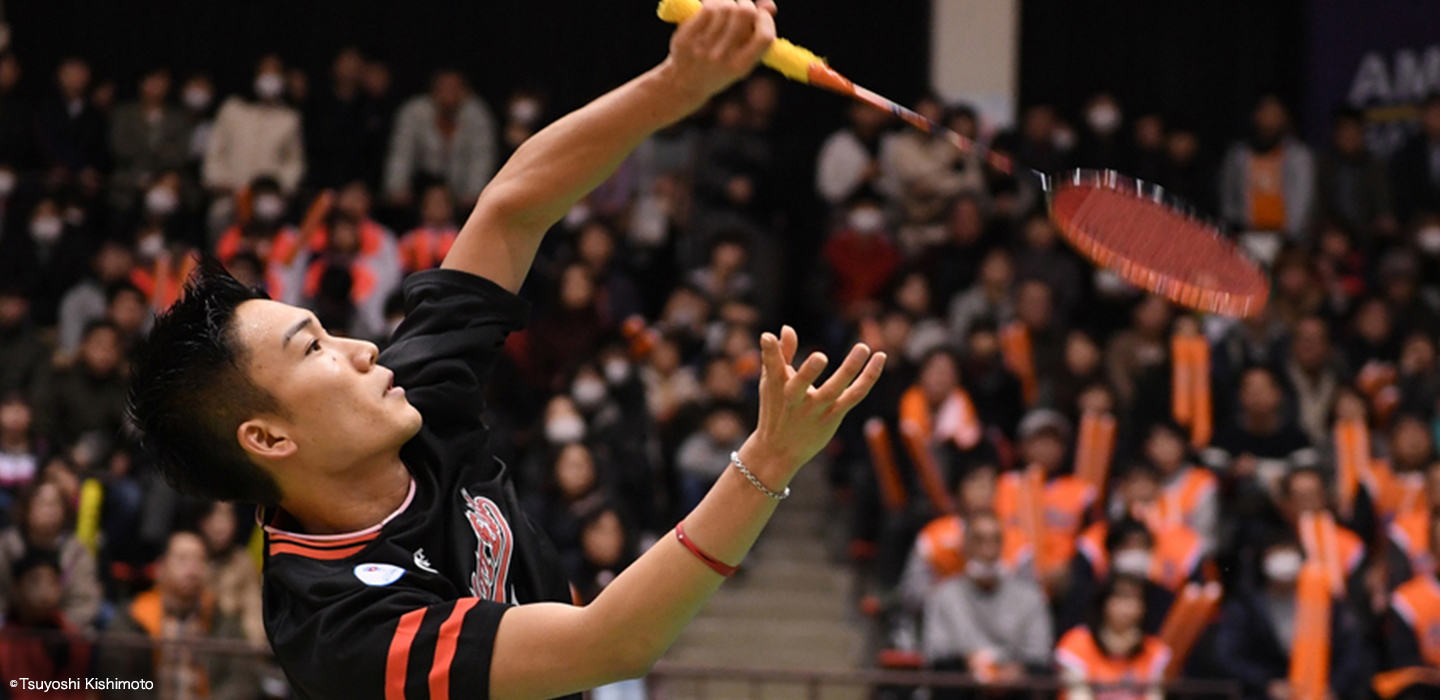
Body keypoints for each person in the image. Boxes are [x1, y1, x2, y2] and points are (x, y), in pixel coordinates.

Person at [128, 5, 887, 700]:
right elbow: (610, 643)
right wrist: (770, 463)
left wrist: (678, 84)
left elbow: (511, 209)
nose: (363, 349)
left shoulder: (410, 399)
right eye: (314, 348)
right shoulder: (341, 628)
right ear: (267, 436)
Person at [99, 531, 259, 700]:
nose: (192, 569)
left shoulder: (222, 620)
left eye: (200, 560)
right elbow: (114, 680)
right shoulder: (133, 616)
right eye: (182, 559)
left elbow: (244, 680)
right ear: (161, 568)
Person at [922, 510, 1052, 684]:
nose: (989, 551)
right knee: (945, 671)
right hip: (964, 685)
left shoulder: (1030, 598)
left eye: (995, 541)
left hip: (1014, 689)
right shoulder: (943, 596)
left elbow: (1039, 654)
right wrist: (969, 663)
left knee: (1039, 675)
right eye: (979, 541)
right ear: (965, 546)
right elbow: (936, 652)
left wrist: (1014, 671)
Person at [384, 69, 497, 206]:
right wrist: (397, 187)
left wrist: (475, 193)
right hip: (421, 191)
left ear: (465, 92)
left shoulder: (477, 115)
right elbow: (402, 154)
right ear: (433, 91)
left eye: (454, 88)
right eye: (443, 88)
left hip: (462, 195)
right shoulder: (414, 112)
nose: (449, 93)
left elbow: (482, 157)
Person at [203, 54, 305, 197]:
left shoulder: (289, 118)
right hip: (229, 192)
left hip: (268, 197)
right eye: (265, 72)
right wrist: (217, 180)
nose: (270, 77)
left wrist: (281, 187)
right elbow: (215, 149)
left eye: (275, 72)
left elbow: (294, 161)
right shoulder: (232, 107)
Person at [1054, 575, 1171, 700]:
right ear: (1104, 602)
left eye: (1133, 599)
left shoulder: (1155, 650)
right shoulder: (1076, 643)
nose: (1125, 608)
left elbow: (1154, 696)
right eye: (1119, 598)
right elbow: (1079, 695)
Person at [1219, 96, 1316, 243]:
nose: (1269, 121)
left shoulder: (1298, 157)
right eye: (1265, 114)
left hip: (1286, 241)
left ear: (1284, 119)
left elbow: (1303, 199)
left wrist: (1290, 238)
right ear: (1255, 116)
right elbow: (1228, 198)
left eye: (1275, 115)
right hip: (1245, 237)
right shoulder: (1238, 155)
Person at [0, 550, 93, 700]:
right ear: (16, 587)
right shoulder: (5, 642)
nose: (44, 591)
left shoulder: (75, 640)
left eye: (51, 582)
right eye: (35, 582)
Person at [109, 66, 192, 212]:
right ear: (141, 83)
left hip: (166, 180)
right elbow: (120, 147)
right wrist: (157, 152)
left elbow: (181, 153)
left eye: (161, 81)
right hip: (129, 178)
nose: (156, 86)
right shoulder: (124, 113)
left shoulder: (178, 117)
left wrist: (161, 177)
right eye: (152, 80)